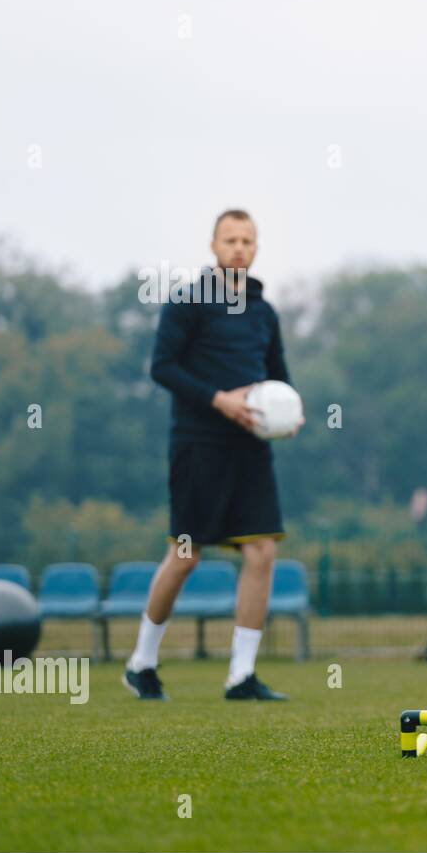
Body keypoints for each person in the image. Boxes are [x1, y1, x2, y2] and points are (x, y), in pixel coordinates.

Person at [125, 209, 300, 701]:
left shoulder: (265, 312)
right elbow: (162, 368)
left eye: (247, 240)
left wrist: (288, 413)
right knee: (184, 556)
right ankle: (141, 663)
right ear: (213, 246)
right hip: (197, 445)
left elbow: (278, 377)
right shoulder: (187, 302)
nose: (239, 248)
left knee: (262, 550)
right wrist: (219, 400)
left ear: (256, 248)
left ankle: (241, 676)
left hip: (250, 449)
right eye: (230, 240)